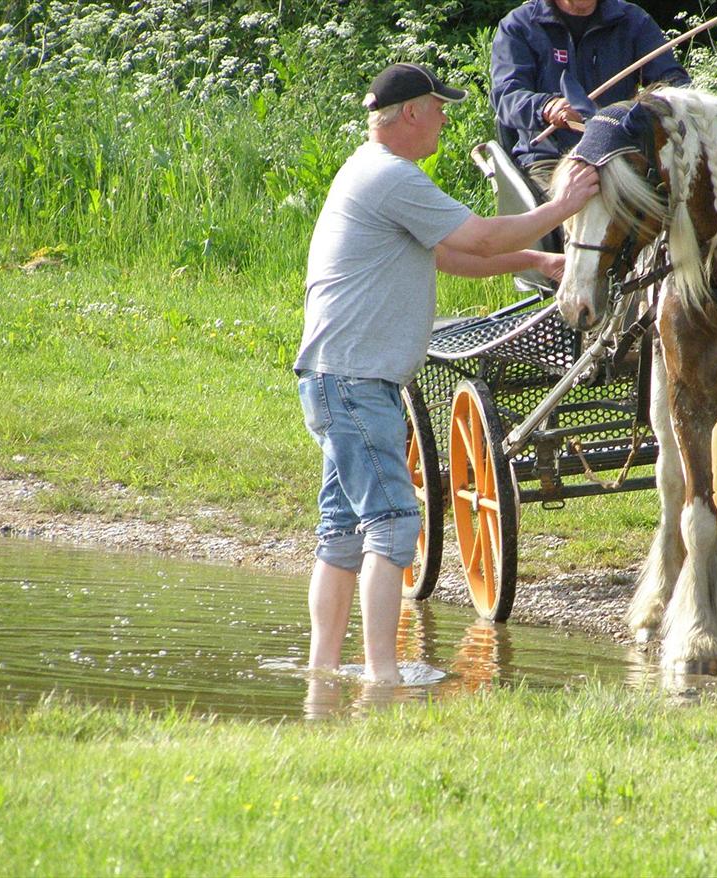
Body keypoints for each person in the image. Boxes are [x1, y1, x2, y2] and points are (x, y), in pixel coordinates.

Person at [294, 62, 599, 685]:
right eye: (438, 107)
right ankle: (383, 677)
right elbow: (480, 238)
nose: (444, 118)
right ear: (410, 112)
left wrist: (537, 259)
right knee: (393, 525)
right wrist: (564, 206)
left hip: (337, 378)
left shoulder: (367, 171)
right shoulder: (390, 176)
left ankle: (322, 675)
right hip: (356, 381)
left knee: (343, 530)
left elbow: (450, 255)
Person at [491, 0, 691, 186]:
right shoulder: (519, 26)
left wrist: (678, 102)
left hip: (620, 154)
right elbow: (506, 95)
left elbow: (672, 82)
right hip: (548, 160)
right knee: (574, 204)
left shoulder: (634, 21)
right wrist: (547, 106)